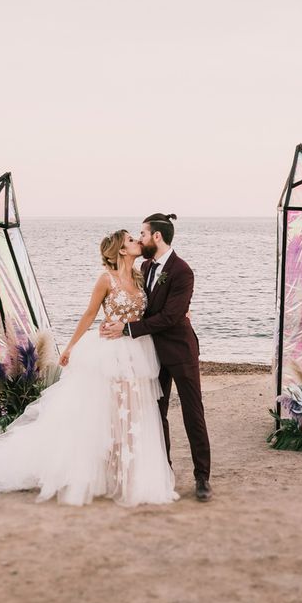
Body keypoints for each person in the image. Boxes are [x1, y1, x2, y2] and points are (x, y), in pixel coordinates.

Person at [0, 230, 178, 508]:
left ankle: (131, 474)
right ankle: (112, 475)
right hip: (111, 353)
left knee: (135, 413)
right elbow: (90, 314)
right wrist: (70, 347)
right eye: (132, 241)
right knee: (112, 414)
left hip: (137, 352)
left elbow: (150, 311)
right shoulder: (105, 279)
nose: (138, 242)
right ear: (122, 251)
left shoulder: (140, 276)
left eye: (138, 238)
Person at [100, 214, 212, 501]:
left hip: (180, 351)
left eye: (143, 234)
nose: (140, 239)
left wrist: (127, 329)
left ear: (157, 237)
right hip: (151, 354)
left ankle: (202, 477)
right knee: (155, 414)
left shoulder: (182, 271)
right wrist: (112, 320)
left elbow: (171, 316)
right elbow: (138, 305)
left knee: (192, 412)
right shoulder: (146, 267)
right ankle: (166, 471)